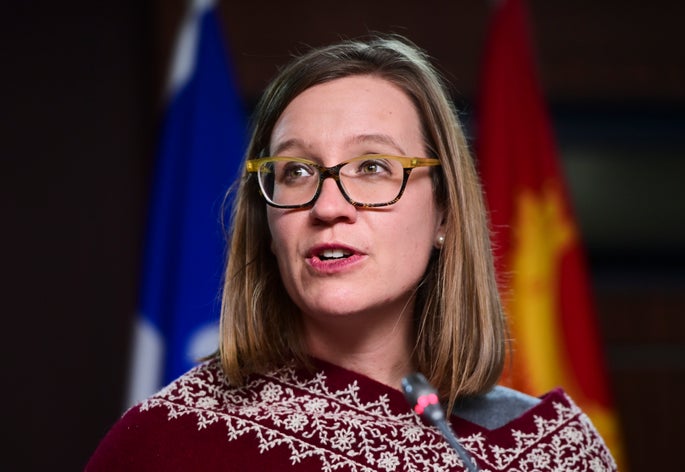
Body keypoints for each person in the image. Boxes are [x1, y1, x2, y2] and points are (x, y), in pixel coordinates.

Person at [86, 35, 616, 471]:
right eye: (296, 172)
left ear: (446, 215)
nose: (329, 206)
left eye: (373, 167)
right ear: (268, 226)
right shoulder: (165, 443)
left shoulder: (554, 451)